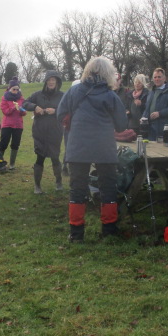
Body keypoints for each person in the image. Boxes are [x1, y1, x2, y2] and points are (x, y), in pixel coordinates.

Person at [57, 57, 128, 242]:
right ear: (108, 74)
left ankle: (76, 233)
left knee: (77, 189)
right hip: (104, 145)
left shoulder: (74, 91)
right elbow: (121, 126)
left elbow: (60, 115)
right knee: (108, 188)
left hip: (78, 145)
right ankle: (109, 231)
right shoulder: (111, 96)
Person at [23, 70, 64, 194]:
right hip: (40, 131)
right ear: (46, 81)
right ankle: (37, 186)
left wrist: (56, 111)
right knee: (39, 158)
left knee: (55, 157)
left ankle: (58, 181)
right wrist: (35, 107)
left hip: (55, 131)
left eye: (53, 80)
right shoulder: (37, 94)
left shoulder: (62, 95)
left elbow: (69, 109)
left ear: (57, 82)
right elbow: (24, 103)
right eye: (49, 80)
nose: (51, 82)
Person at [142, 68, 168, 141]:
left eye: (159, 77)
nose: (157, 79)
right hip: (151, 129)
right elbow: (147, 108)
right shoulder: (151, 92)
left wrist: (160, 113)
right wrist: (143, 118)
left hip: (165, 129)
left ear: (164, 78)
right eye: (155, 77)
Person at [0, 77, 26, 170]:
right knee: (3, 143)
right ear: (9, 89)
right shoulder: (4, 98)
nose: (15, 91)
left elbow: (24, 112)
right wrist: (14, 108)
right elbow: (5, 111)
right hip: (7, 125)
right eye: (14, 89)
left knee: (15, 144)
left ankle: (12, 164)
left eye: (17, 89)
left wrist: (22, 110)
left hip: (18, 125)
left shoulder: (21, 98)